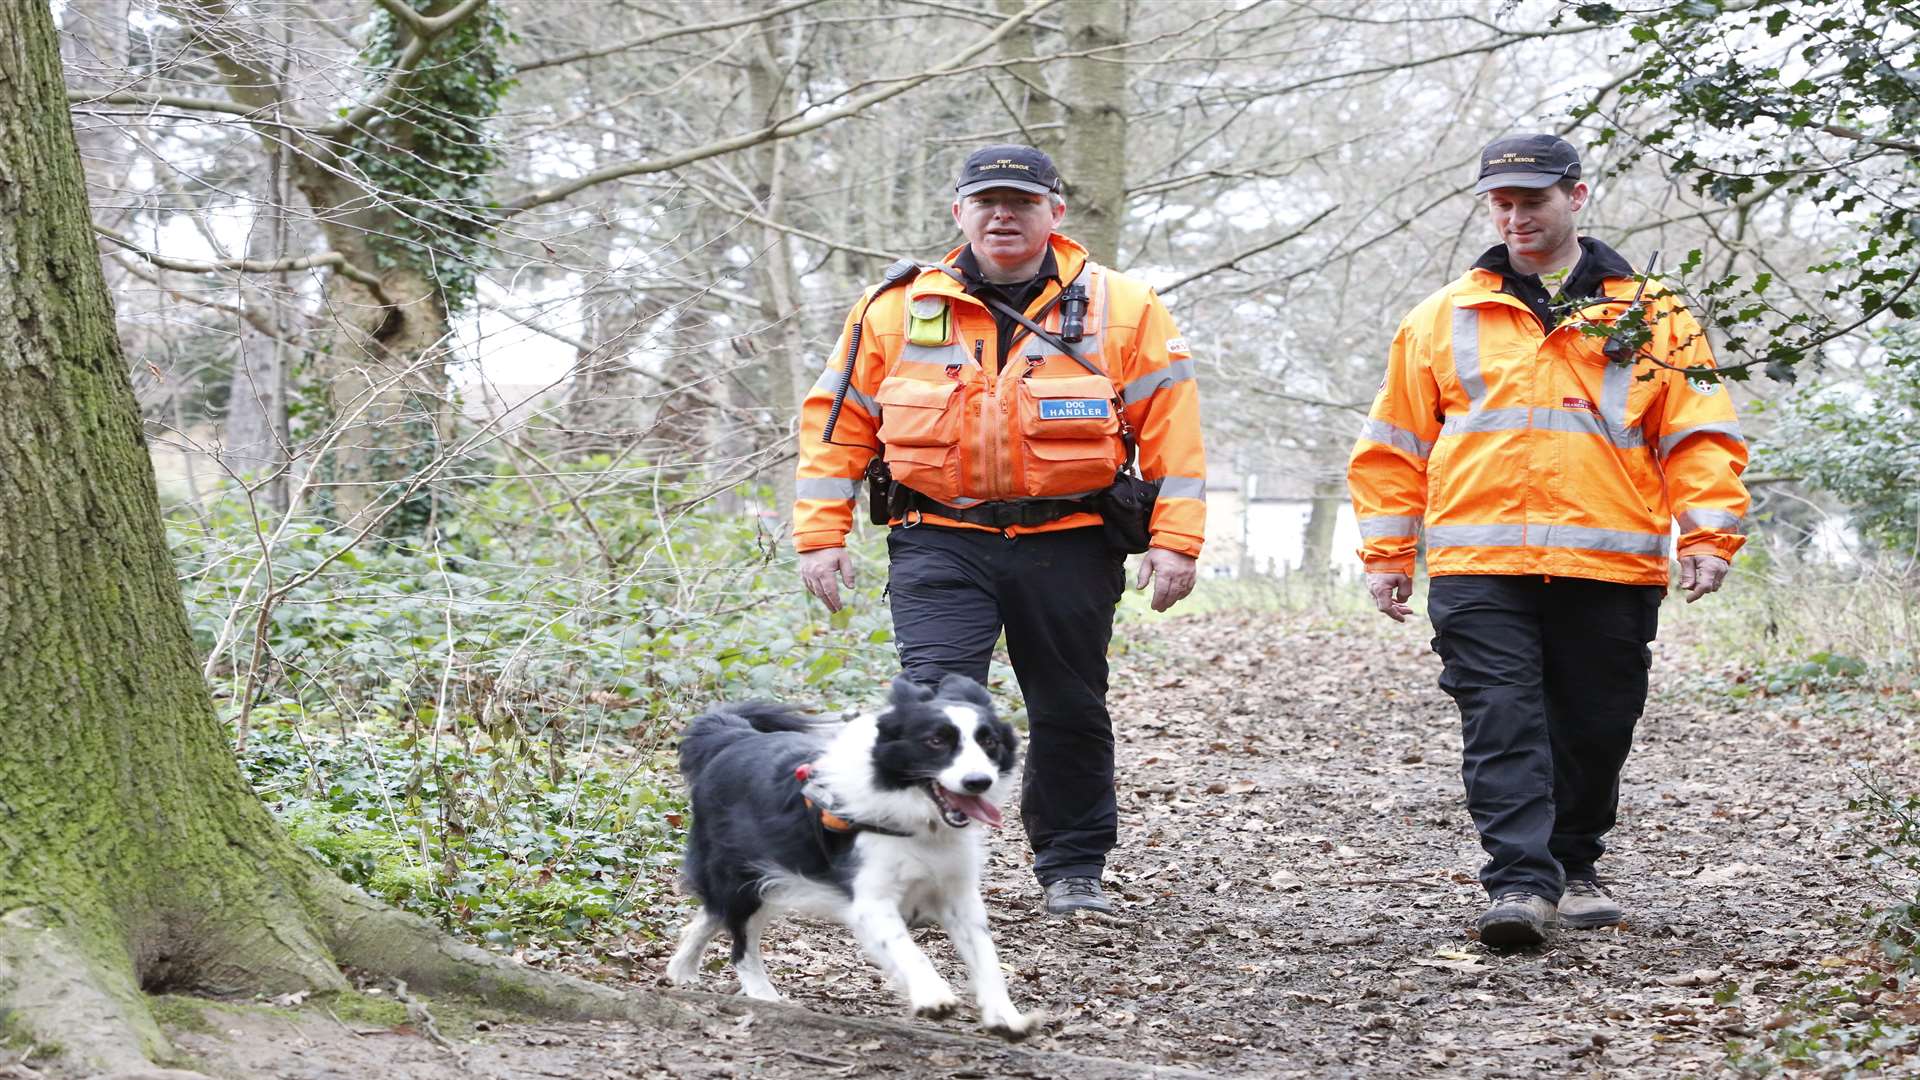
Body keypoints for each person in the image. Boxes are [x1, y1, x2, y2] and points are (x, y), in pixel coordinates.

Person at [1346, 134, 1751, 948]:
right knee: (1502, 718)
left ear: (1577, 196)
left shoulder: (1654, 315)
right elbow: (1394, 443)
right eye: (1502, 202)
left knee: (1596, 722)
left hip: (1609, 562)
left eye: (1533, 200)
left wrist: (1708, 534)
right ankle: (1521, 883)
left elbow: (1700, 434)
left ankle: (1574, 863)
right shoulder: (1442, 315)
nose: (1516, 216)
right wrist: (1388, 555)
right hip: (1479, 562)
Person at [792, 145, 1208, 916]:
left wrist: (1176, 540)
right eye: (986, 202)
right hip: (938, 536)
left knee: (1070, 706)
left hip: (1072, 541)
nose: (1002, 215)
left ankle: (1074, 866)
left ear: (1056, 213)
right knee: (933, 701)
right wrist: (821, 534)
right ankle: (919, 865)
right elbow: (837, 426)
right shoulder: (894, 308)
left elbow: (1174, 433)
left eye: (1021, 202)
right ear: (960, 214)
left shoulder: (1126, 307)